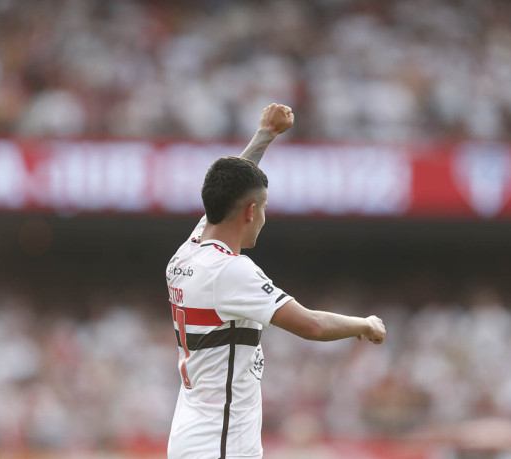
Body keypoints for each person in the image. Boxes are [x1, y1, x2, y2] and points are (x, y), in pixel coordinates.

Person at [165, 103, 387, 458]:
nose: (264, 216)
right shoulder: (231, 270)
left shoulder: (188, 252)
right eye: (263, 207)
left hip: (191, 437)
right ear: (251, 212)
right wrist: (365, 323)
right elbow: (311, 325)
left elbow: (231, 187)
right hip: (221, 446)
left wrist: (265, 134)